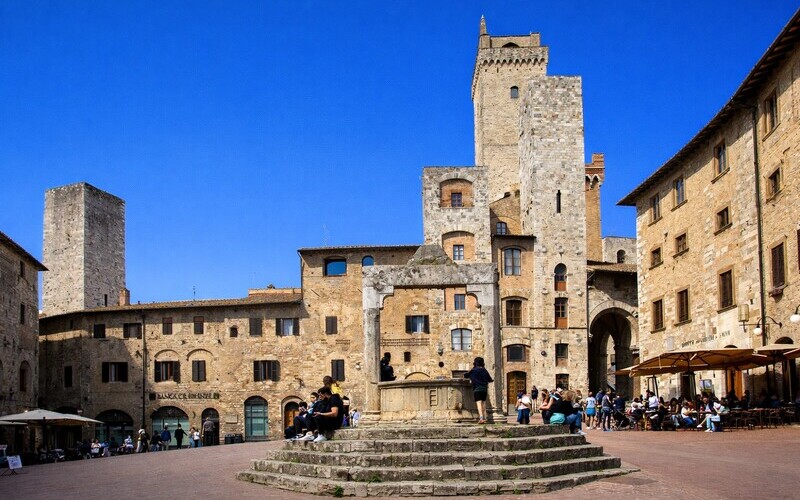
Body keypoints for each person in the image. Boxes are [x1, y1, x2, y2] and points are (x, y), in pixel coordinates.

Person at [464, 356, 493, 424]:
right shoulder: (484, 370)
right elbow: (490, 379)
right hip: (484, 389)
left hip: (477, 388)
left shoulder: (473, 370)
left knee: (479, 403)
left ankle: (481, 418)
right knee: (484, 402)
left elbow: (465, 375)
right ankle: (485, 418)